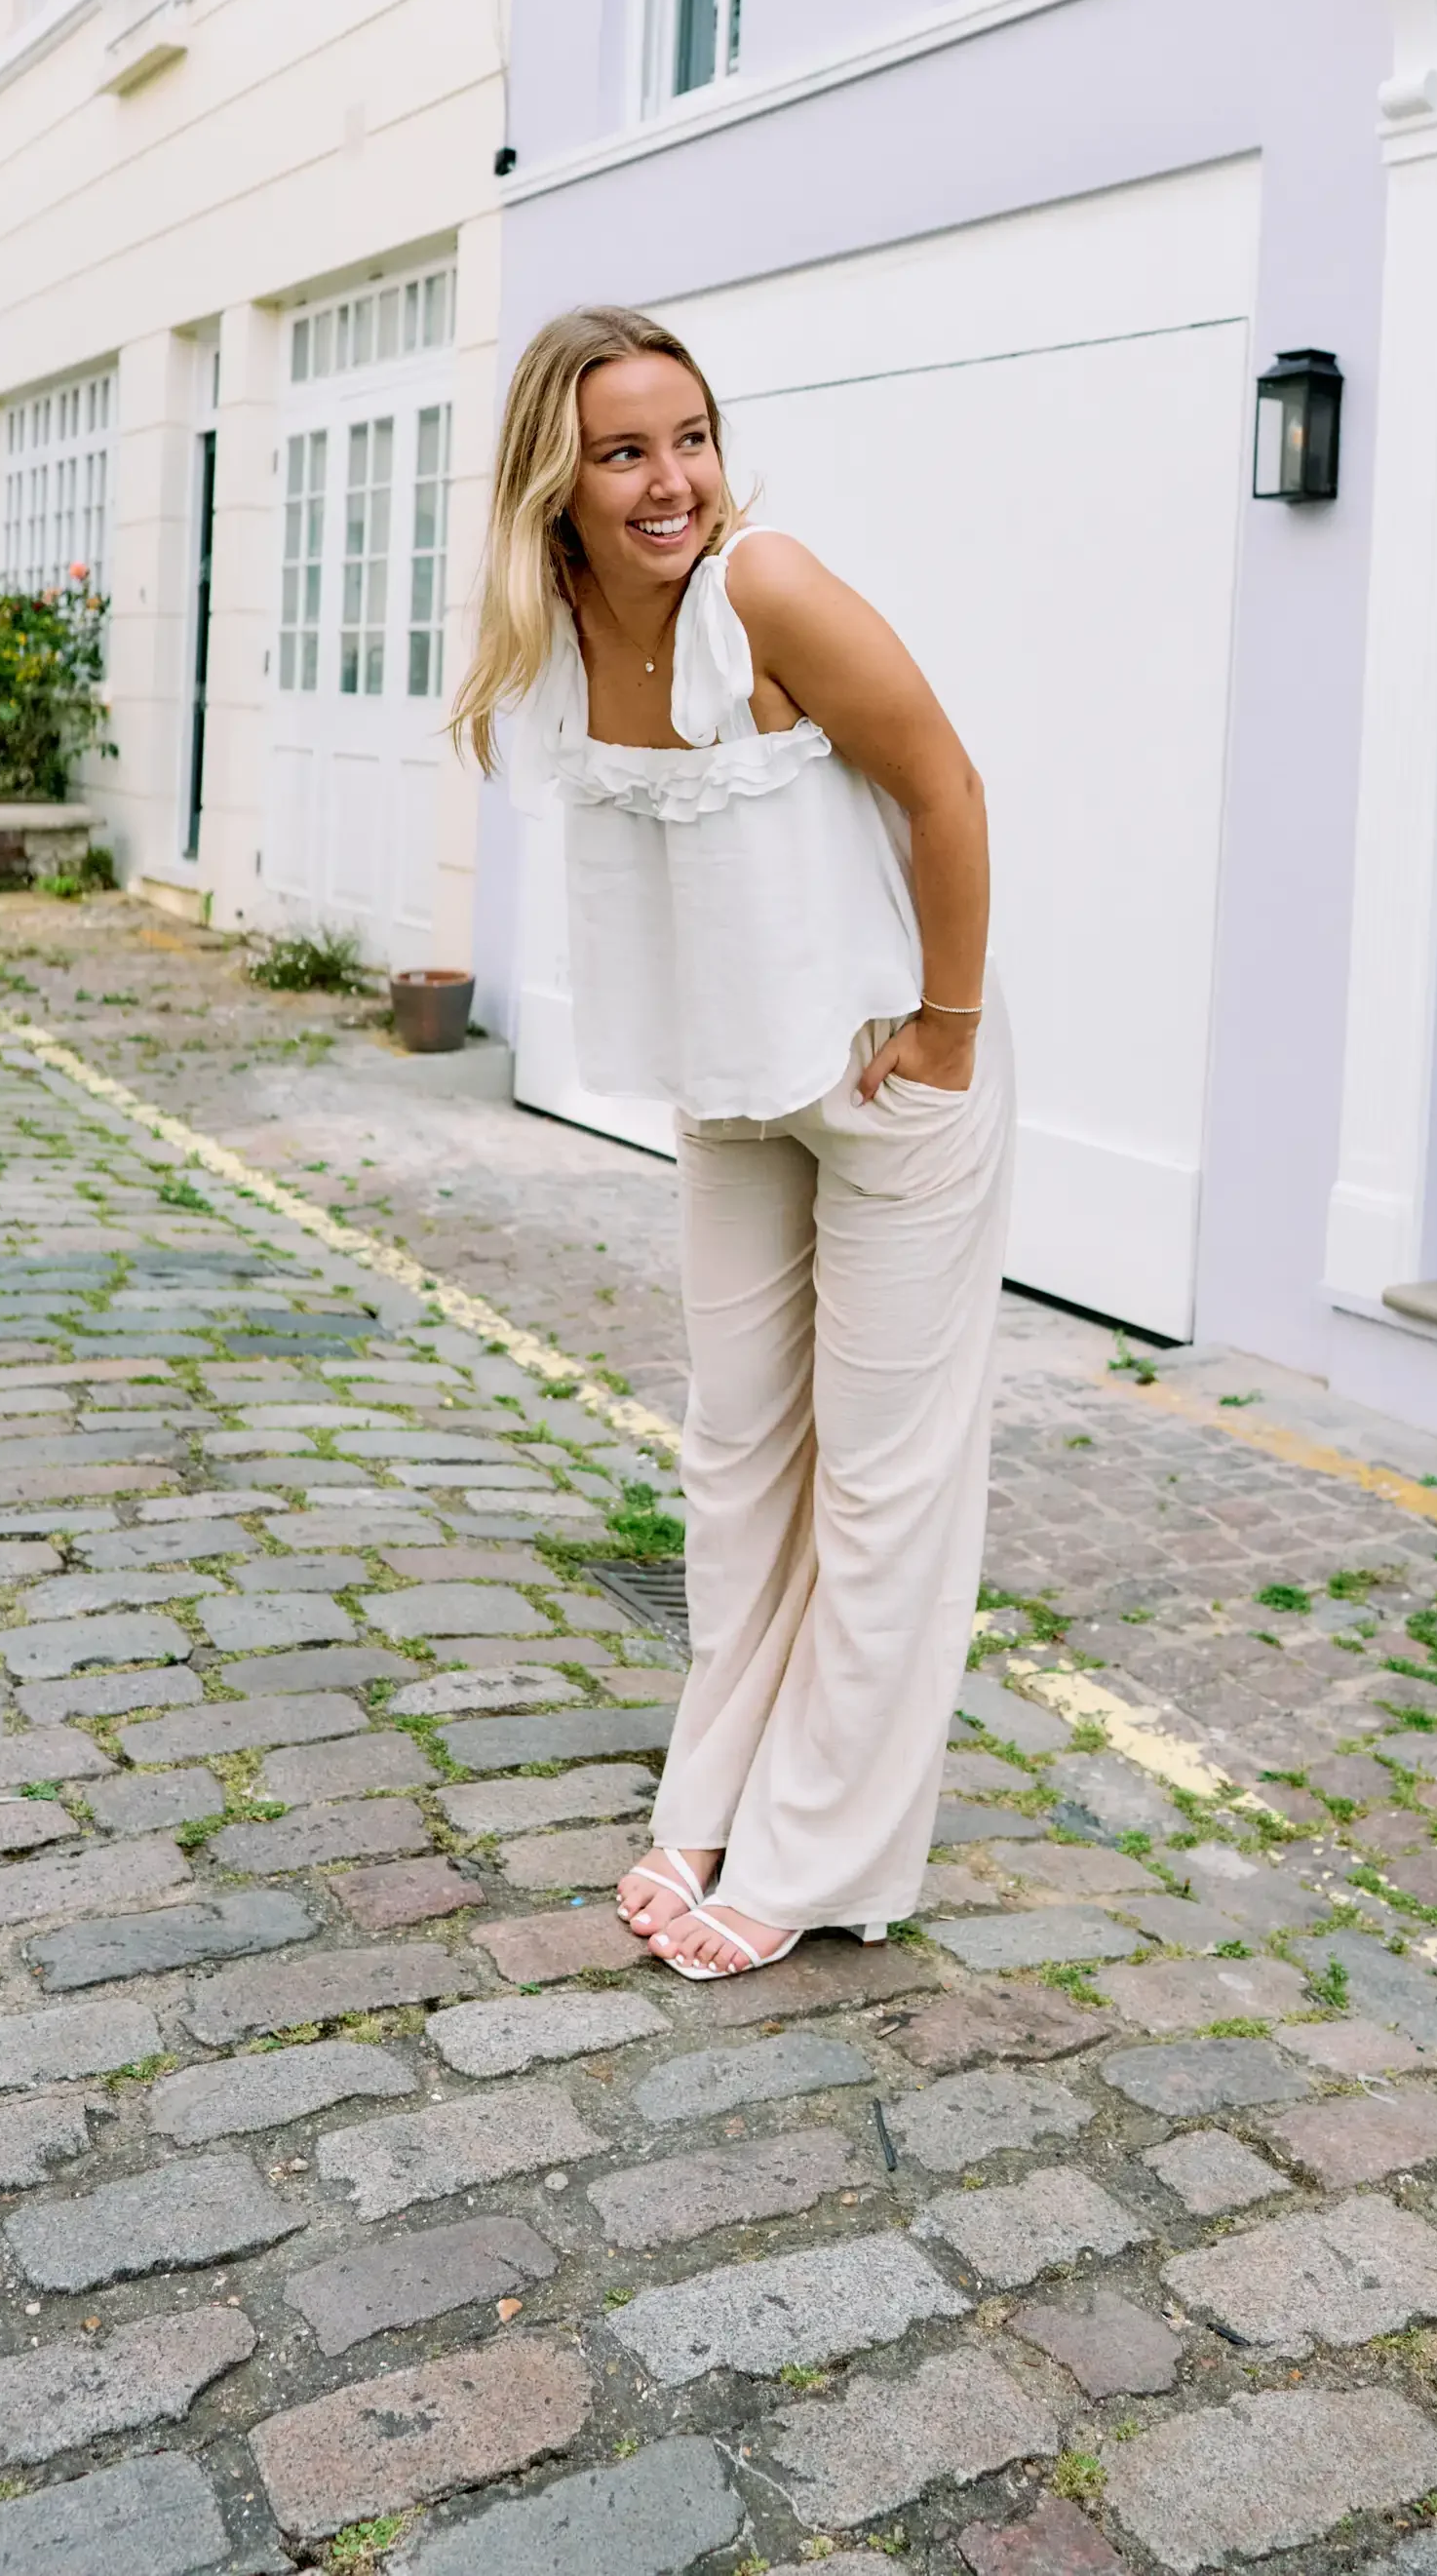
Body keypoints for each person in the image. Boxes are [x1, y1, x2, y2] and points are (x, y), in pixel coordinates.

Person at [454, 304, 1015, 1980]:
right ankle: (713, 1792)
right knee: (738, 1456)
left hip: (892, 1075)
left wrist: (949, 1036)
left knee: (883, 1480)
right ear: (557, 477)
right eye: (625, 450)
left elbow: (948, 790)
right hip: (738, 1090)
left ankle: (815, 1849)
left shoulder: (762, 589)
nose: (670, 480)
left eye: (688, 436)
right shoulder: (549, 624)